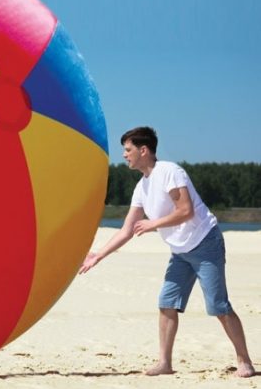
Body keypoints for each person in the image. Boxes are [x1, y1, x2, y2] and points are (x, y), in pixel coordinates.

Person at [79, 127, 255, 378]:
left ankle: (244, 360)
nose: (124, 155)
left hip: (206, 243)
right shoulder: (142, 187)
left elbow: (186, 211)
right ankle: (165, 363)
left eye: (128, 150)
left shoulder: (170, 172)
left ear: (144, 150)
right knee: (166, 303)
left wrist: (153, 224)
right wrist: (98, 255)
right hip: (180, 251)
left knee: (218, 306)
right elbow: (127, 230)